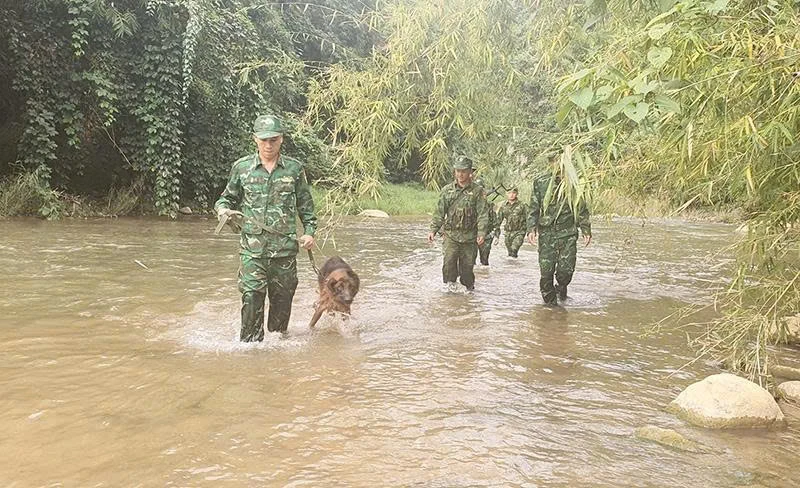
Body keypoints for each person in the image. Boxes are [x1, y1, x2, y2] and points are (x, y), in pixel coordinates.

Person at [214, 114, 318, 341]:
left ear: (281, 139)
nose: (268, 145)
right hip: (253, 251)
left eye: (273, 139)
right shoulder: (241, 168)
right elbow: (225, 199)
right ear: (255, 139)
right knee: (251, 298)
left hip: (284, 252)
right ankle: (249, 353)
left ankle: (277, 353)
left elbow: (307, 208)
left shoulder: (294, 169)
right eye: (264, 140)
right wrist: (223, 211)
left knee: (282, 306)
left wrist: (310, 232)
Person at [526, 158, 591, 306]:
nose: (557, 165)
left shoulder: (575, 182)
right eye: (553, 161)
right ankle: (551, 308)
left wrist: (586, 229)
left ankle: (561, 287)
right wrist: (531, 228)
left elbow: (581, 207)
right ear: (550, 163)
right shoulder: (541, 182)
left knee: (566, 271)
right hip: (547, 235)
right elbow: (533, 207)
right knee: (546, 273)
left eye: (560, 161)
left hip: (568, 233)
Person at [428, 155, 489, 291]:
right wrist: (433, 230)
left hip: (469, 237)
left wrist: (481, 233)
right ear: (455, 172)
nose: (460, 174)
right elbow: (439, 212)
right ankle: (450, 296)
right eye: (458, 171)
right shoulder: (447, 190)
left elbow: (483, 214)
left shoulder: (478, 191)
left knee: (467, 270)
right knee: (448, 265)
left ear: (470, 172)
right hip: (451, 235)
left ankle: (468, 295)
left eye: (463, 171)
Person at [496, 187, 529, 258]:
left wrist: (530, 231)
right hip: (508, 233)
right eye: (509, 193)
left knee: (514, 249)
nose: (511, 195)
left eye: (513, 193)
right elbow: (498, 221)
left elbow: (529, 218)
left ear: (517, 194)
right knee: (510, 253)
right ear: (506, 194)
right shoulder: (503, 205)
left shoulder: (522, 205)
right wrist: (496, 235)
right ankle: (512, 267)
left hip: (519, 232)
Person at [474, 179, 498, 266]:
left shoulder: (489, 206)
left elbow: (495, 222)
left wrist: (497, 236)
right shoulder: (469, 204)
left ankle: (484, 277)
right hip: (471, 236)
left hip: (487, 236)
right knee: (470, 262)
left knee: (484, 261)